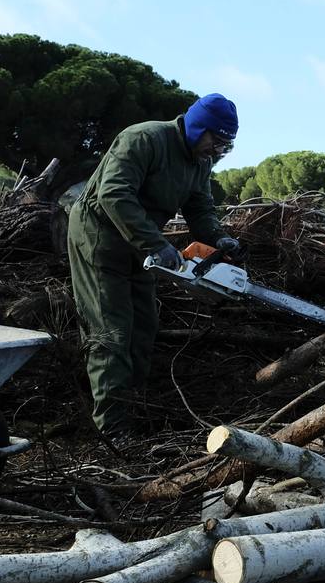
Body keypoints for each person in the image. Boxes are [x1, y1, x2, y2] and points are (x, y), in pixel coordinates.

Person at [66, 93, 245, 440]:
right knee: (112, 331)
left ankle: (135, 407)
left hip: (141, 243)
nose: (217, 151)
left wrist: (220, 239)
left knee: (144, 327)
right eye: (215, 141)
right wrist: (156, 244)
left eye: (226, 146)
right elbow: (114, 193)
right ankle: (114, 429)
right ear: (197, 128)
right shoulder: (145, 139)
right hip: (99, 238)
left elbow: (200, 209)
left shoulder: (199, 162)